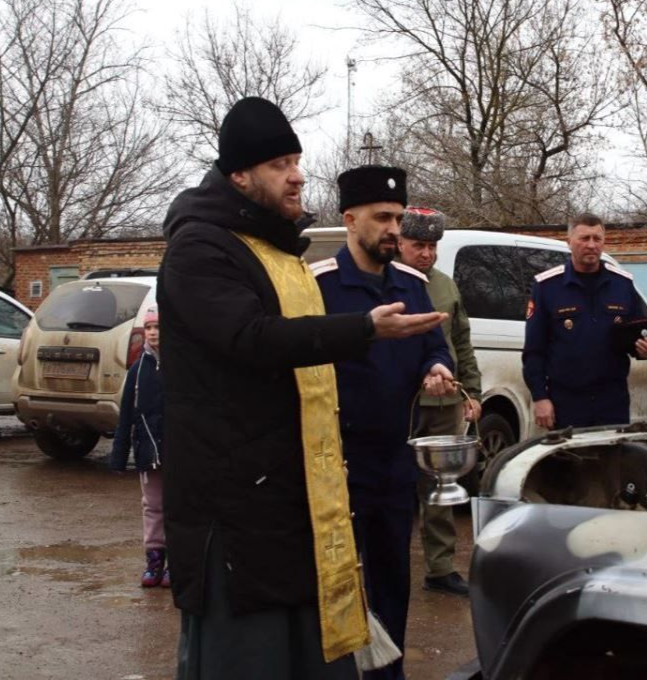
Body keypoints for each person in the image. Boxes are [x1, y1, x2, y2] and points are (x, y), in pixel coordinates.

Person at [157, 97, 447, 680]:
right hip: (236, 507)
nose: (297, 174)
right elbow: (252, 338)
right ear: (239, 174)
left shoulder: (271, 247)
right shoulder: (201, 247)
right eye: (279, 164)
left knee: (311, 650)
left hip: (292, 497)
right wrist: (365, 328)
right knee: (251, 657)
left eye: (296, 160)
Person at [311, 167, 456, 680]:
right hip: (336, 462)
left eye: (397, 217)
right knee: (335, 580)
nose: (393, 228)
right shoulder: (321, 286)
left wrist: (437, 367)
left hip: (395, 458)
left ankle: (387, 674)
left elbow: (435, 345)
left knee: (393, 577)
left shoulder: (414, 285)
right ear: (349, 219)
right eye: (382, 217)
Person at [396, 206, 482, 598]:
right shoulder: (388, 283)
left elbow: (461, 342)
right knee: (394, 487)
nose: (426, 254)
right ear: (400, 243)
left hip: (445, 403)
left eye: (432, 246)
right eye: (418, 245)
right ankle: (389, 562)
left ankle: (441, 566)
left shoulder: (446, 286)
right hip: (401, 405)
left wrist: (473, 392)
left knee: (440, 486)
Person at [522, 213, 647, 430]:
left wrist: (644, 350)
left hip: (612, 402)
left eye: (597, 239)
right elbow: (533, 351)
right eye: (584, 239)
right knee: (570, 463)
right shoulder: (547, 287)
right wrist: (540, 397)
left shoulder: (622, 284)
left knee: (613, 462)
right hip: (566, 402)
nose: (591, 245)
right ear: (569, 242)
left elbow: (636, 338)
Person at [110, 304, 169, 588]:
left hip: (178, 451)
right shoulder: (137, 370)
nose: (154, 333)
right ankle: (154, 561)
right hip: (148, 450)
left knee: (179, 506)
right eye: (149, 327)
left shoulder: (181, 364)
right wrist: (119, 456)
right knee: (153, 506)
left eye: (158, 327)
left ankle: (179, 563)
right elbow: (126, 414)